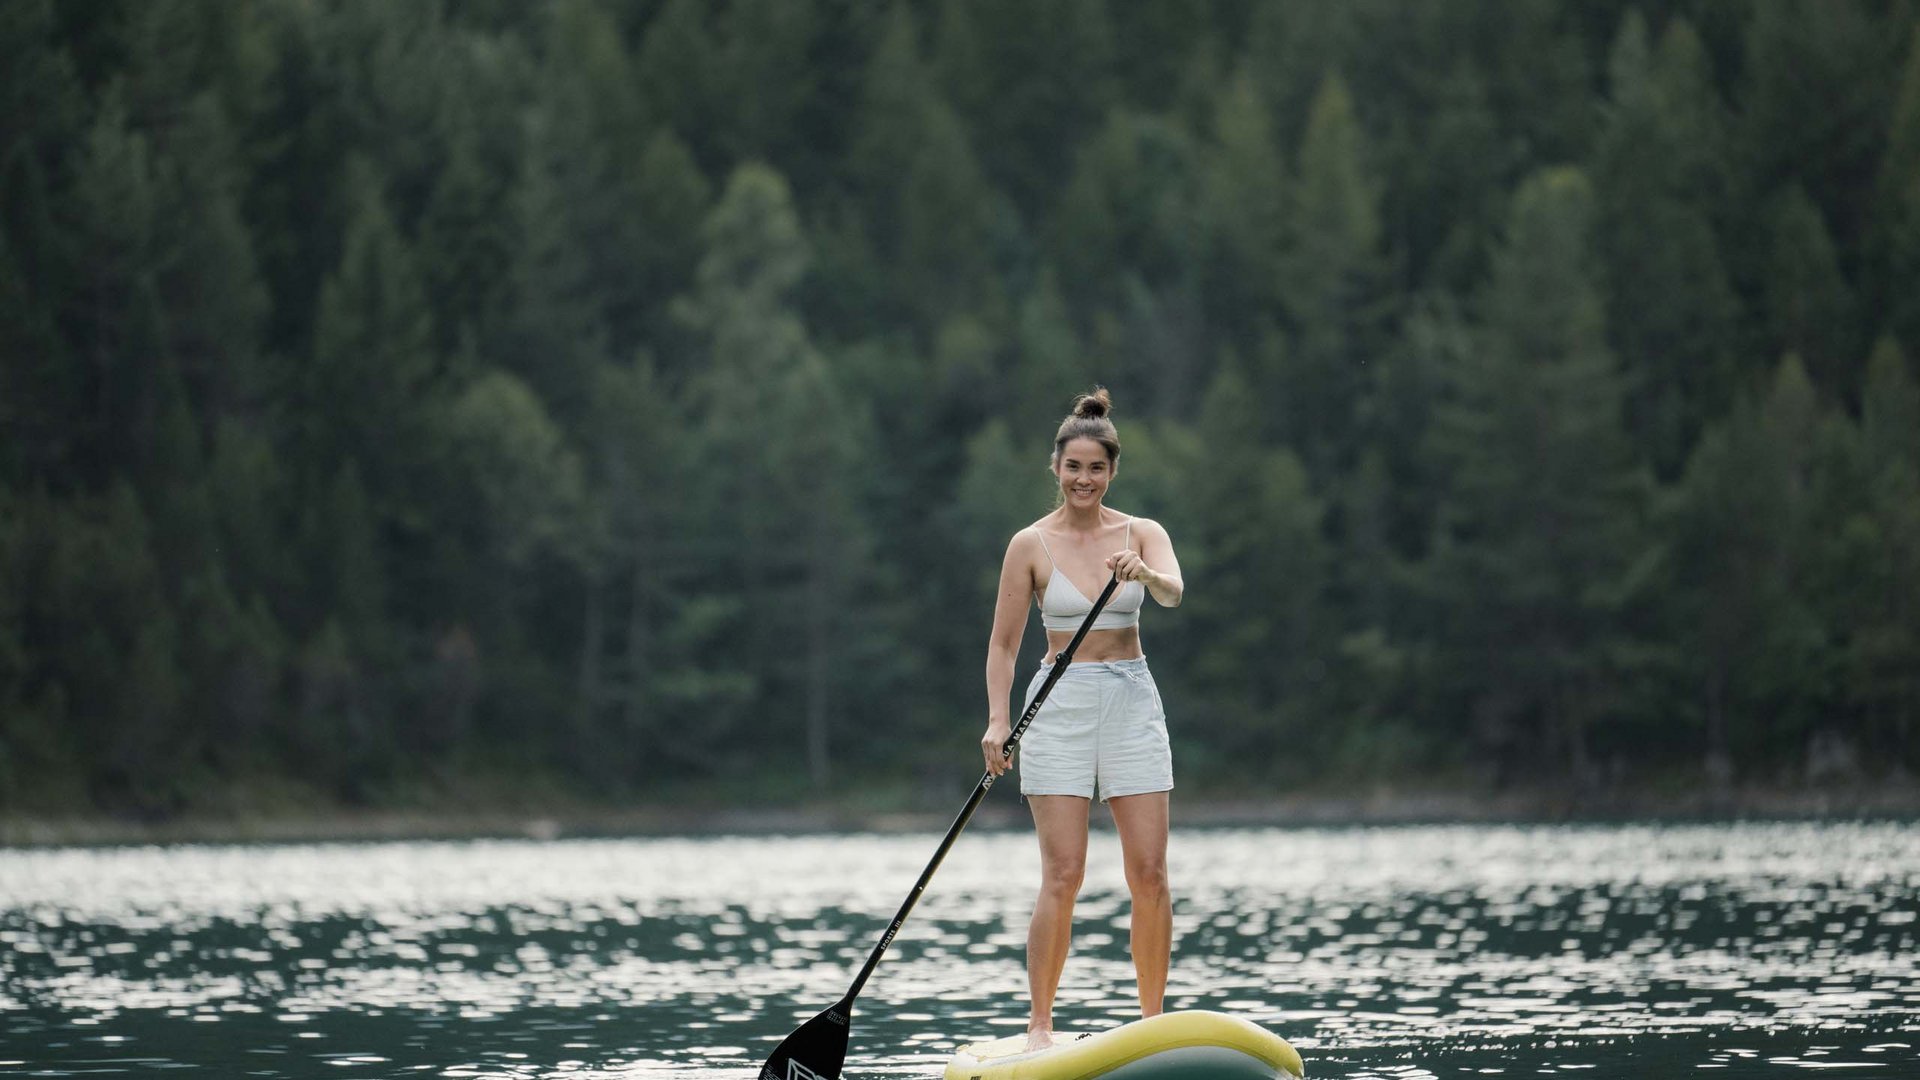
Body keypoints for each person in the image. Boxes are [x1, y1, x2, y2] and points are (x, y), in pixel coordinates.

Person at [981, 387, 1185, 1052]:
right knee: (1063, 875)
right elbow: (1003, 645)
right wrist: (997, 722)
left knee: (1149, 873)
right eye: (1074, 467)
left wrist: (1144, 573)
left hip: (1131, 701)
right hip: (1057, 708)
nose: (1084, 480)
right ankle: (1039, 1028)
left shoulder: (1142, 534)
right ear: (1056, 467)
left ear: (1112, 471)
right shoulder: (1029, 544)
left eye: (1097, 468)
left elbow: (1174, 592)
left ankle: (1152, 1024)